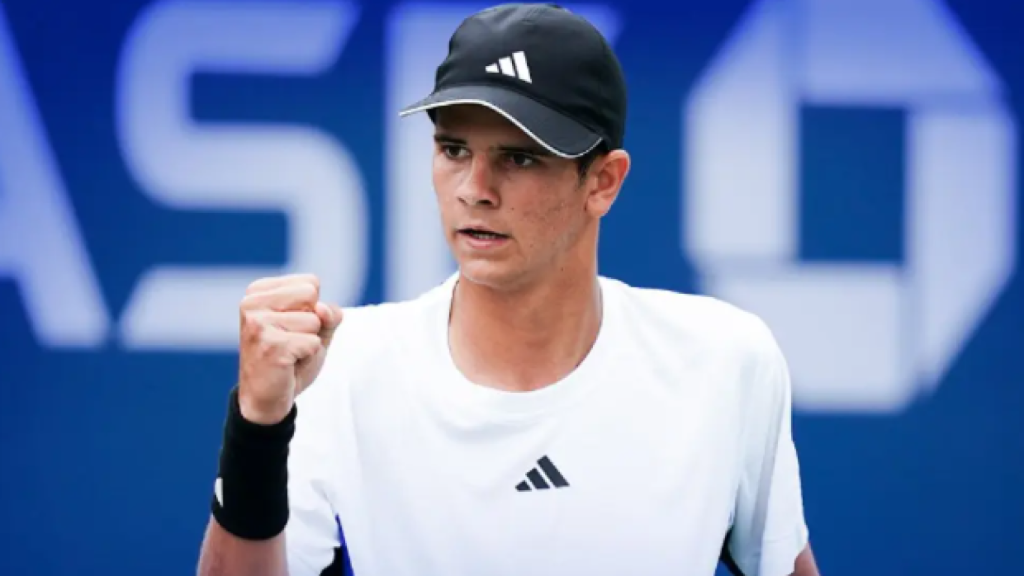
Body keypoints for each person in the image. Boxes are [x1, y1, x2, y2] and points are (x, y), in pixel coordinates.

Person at [196, 3, 821, 575]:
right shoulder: (336, 368)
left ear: (603, 182)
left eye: (519, 158)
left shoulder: (725, 361)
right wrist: (258, 426)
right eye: (453, 149)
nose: (475, 188)